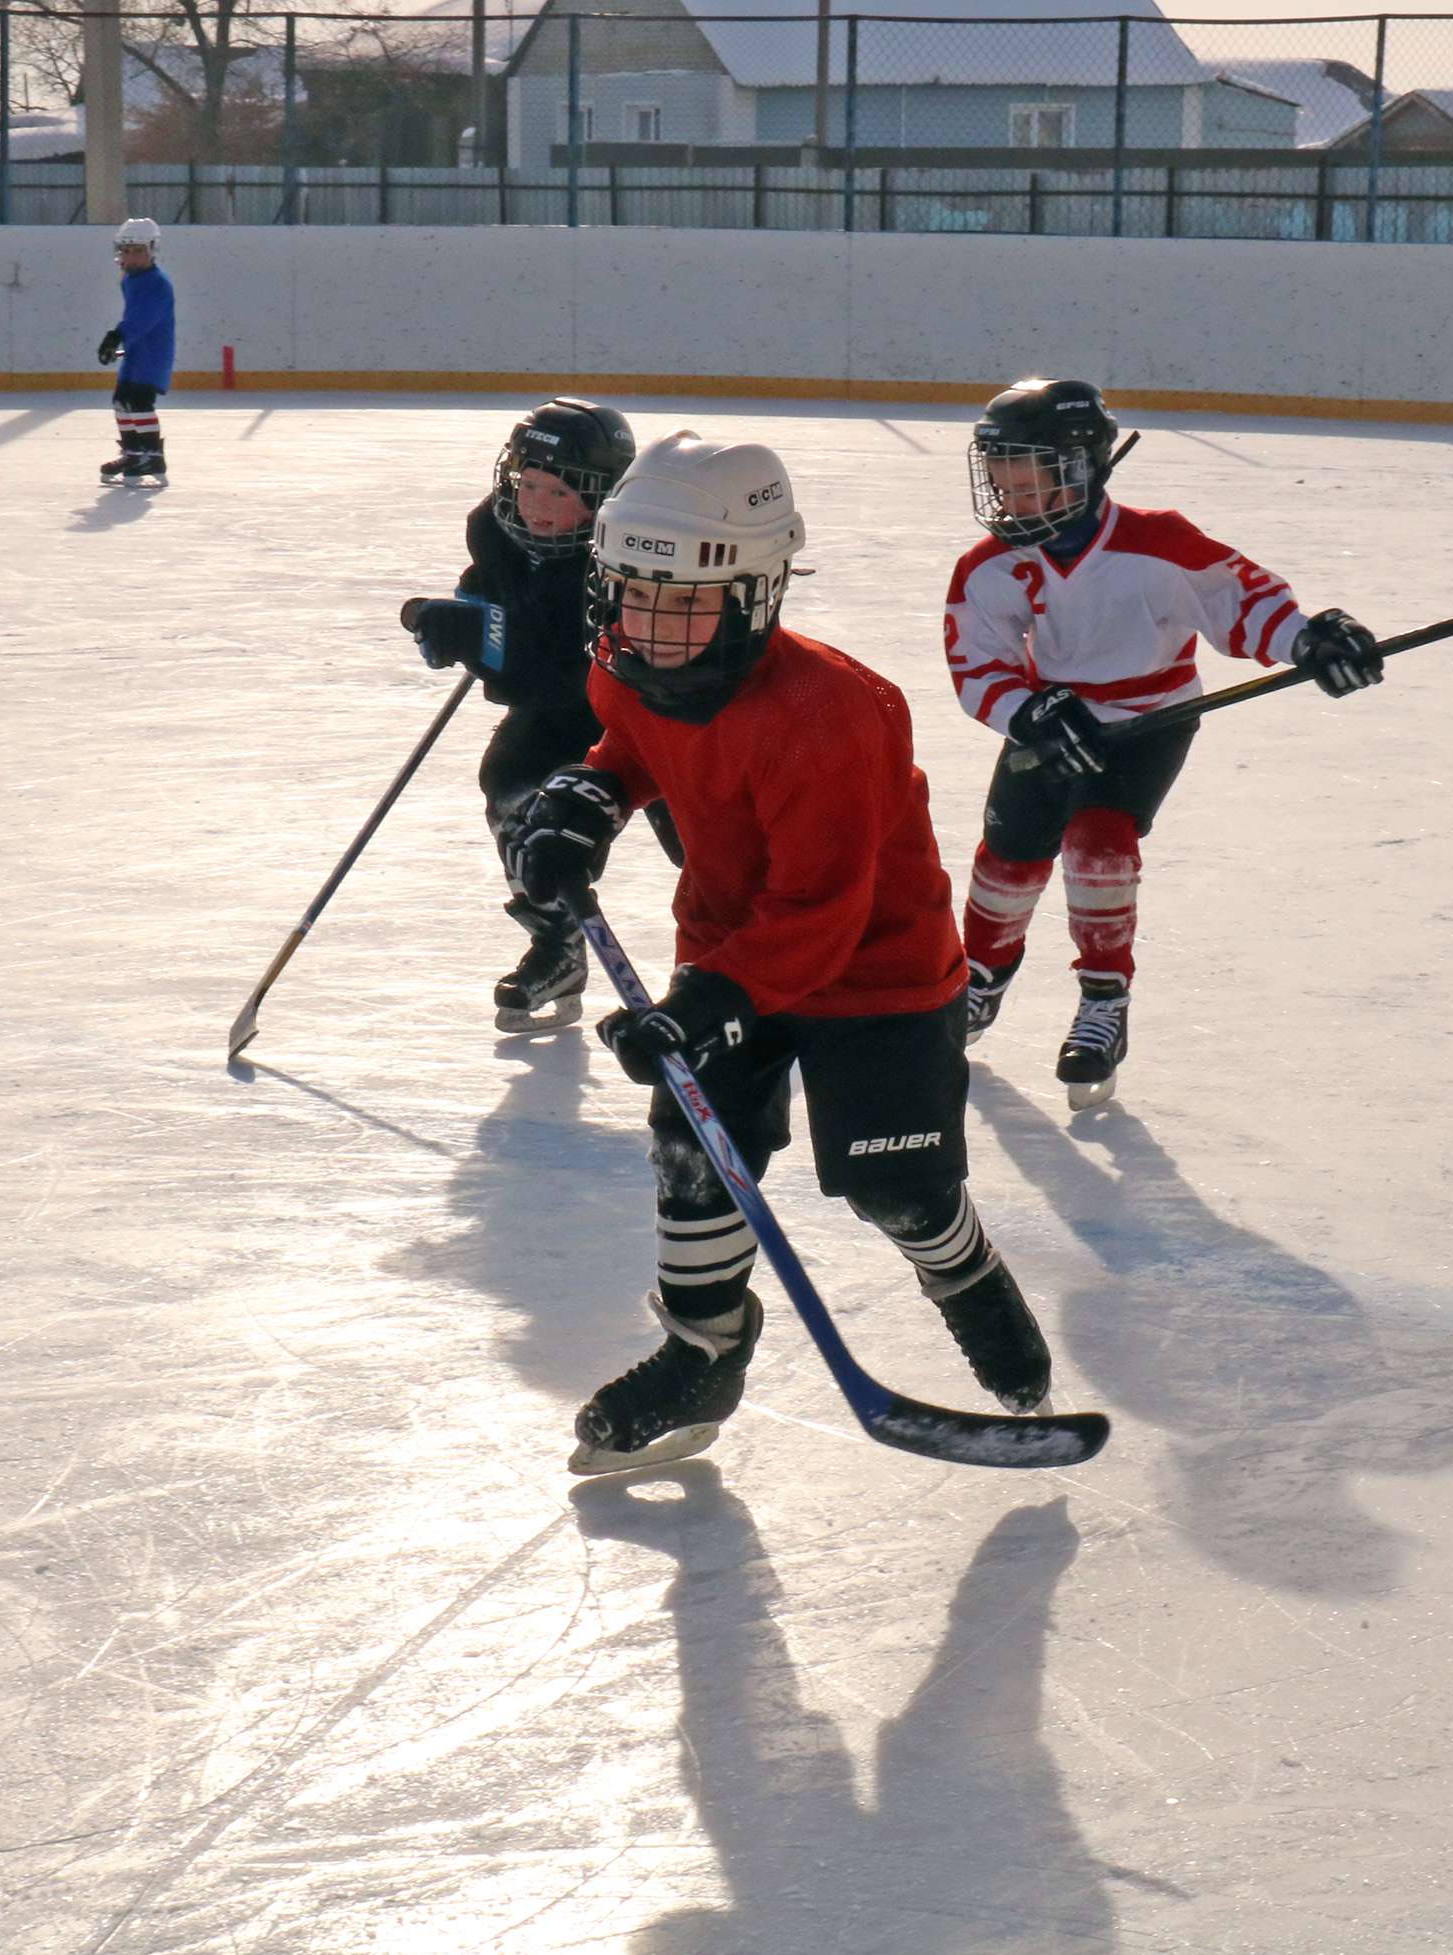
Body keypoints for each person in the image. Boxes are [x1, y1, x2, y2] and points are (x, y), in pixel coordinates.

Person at [502, 431, 1055, 1474]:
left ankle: (967, 1275)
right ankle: (703, 1350)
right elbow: (635, 745)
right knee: (695, 1152)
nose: (654, 626)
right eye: (634, 594)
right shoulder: (625, 668)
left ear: (756, 594)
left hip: (875, 976)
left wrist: (710, 1001)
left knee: (899, 1190)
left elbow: (823, 909)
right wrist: (591, 794)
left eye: (685, 601)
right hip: (730, 952)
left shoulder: (835, 714)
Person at [944, 377, 1384, 1110]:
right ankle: (981, 979)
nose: (1010, 502)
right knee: (1008, 859)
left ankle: (1103, 1003)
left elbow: (1239, 601)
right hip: (1056, 722)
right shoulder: (989, 566)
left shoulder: (1159, 542)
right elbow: (977, 663)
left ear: (1081, 470)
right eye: (1002, 485)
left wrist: (1308, 638)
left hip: (1151, 721)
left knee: (1099, 844)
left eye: (1028, 486)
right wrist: (1029, 713)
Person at [397, 398, 680, 1032]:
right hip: (558, 708)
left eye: (559, 493)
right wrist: (447, 619)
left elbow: (560, 665)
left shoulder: (627, 555)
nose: (537, 504)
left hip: (652, 713)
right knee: (512, 784)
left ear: (603, 499)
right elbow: (493, 611)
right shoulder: (494, 531)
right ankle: (558, 946)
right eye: (528, 484)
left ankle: (750, 967)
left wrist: (486, 644)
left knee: (702, 841)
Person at [96, 217, 175, 486]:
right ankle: (133, 453)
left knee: (139, 401)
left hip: (153, 353)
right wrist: (120, 342)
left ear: (152, 250)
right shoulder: (130, 280)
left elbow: (143, 318)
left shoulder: (157, 283)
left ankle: (152, 455)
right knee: (121, 400)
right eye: (126, 250)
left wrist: (117, 335)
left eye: (138, 250)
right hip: (135, 351)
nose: (131, 256)